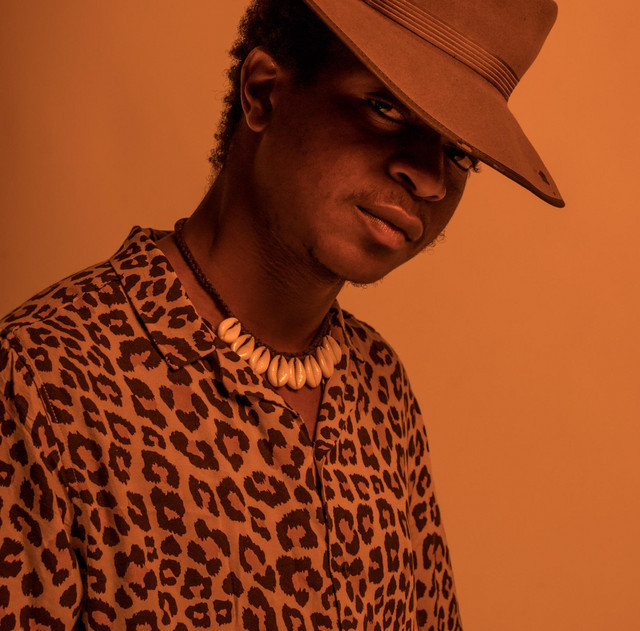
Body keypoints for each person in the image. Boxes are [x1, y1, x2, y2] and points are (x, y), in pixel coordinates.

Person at [0, 0, 563, 629]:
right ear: (263, 92)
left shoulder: (379, 385)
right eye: (386, 108)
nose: (429, 178)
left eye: (460, 153)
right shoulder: (44, 381)